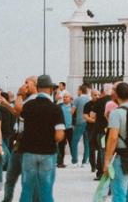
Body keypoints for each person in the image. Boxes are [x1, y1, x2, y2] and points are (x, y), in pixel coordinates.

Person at [18, 74, 64, 202]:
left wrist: (19, 94)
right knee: (46, 189)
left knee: (27, 188)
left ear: (37, 88)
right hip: (47, 152)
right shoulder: (55, 108)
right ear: (50, 89)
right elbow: (59, 135)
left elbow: (19, 114)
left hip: (29, 152)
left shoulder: (28, 106)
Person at [70, 85, 91, 168]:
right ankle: (85, 161)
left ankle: (75, 160)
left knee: (74, 141)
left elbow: (72, 111)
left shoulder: (77, 99)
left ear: (80, 91)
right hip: (88, 122)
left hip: (80, 122)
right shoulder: (89, 99)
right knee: (87, 142)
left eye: (78, 90)